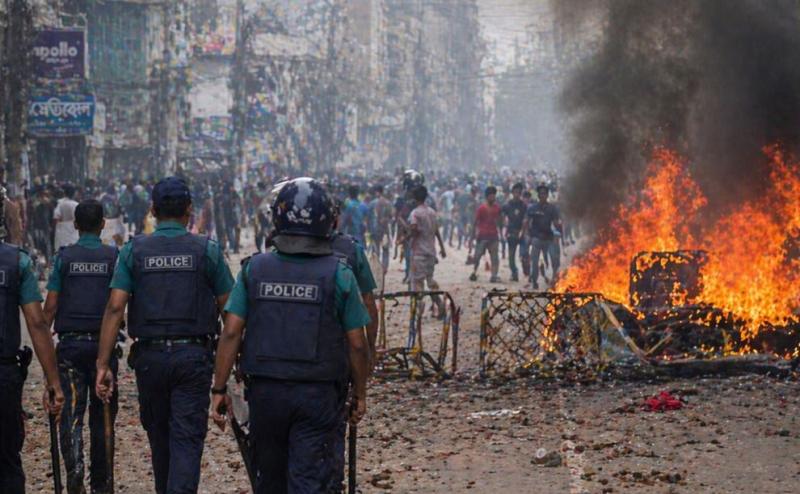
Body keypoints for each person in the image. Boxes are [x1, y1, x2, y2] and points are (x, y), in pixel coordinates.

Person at [210, 178, 370, 493]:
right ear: (328, 220)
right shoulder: (340, 275)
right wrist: (360, 393)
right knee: (309, 480)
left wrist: (218, 388)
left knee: (269, 479)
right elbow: (357, 343)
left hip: (266, 395)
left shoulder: (254, 270)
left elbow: (231, 332)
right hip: (318, 396)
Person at [95, 177, 234, 494]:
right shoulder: (207, 251)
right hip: (193, 360)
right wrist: (230, 369)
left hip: (150, 360)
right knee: (186, 439)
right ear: (189, 210)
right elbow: (231, 314)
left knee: (159, 440)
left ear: (153, 210)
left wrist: (103, 363)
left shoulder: (133, 251)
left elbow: (115, 307)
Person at [43, 200, 119, 494]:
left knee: (71, 417)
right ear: (103, 224)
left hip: (71, 349)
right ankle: (102, 483)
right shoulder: (113, 257)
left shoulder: (64, 258)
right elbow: (120, 303)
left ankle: (75, 473)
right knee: (103, 419)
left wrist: (44, 349)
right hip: (103, 350)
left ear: (75, 225)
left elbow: (50, 307)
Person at [0, 188, 64, 494]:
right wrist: (53, 381)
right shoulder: (17, 262)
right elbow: (37, 323)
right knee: (7, 459)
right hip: (3, 375)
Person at [405, 185, 447, 314]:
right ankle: (440, 304)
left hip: (418, 253)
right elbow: (437, 231)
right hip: (431, 253)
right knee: (430, 281)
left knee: (417, 282)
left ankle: (419, 305)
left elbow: (413, 229)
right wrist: (442, 248)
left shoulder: (415, 213)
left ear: (414, 198)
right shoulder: (432, 212)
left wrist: (405, 237)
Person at [524, 183, 563, 289]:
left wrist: (559, 229)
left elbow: (556, 223)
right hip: (536, 238)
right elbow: (526, 221)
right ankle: (535, 281)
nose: (543, 195)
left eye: (545, 193)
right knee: (534, 262)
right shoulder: (532, 208)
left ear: (547, 195)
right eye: (541, 193)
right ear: (538, 195)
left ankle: (554, 279)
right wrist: (527, 234)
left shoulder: (552, 208)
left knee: (554, 259)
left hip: (549, 237)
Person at [469, 186, 502, 283]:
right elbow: (475, 222)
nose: (493, 197)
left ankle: (494, 275)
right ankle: (474, 272)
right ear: (487, 197)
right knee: (477, 256)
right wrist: (472, 237)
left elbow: (499, 221)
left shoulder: (497, 208)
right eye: (491, 196)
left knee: (494, 257)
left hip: (493, 236)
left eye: (494, 195)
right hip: (482, 236)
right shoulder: (481, 208)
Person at [502, 182, 527, 282]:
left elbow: (526, 219)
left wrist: (523, 231)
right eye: (515, 192)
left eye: (519, 192)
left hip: (522, 232)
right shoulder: (507, 205)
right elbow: (503, 217)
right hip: (511, 232)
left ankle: (527, 271)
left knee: (524, 254)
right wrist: (505, 228)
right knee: (511, 257)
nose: (517, 194)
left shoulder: (523, 205)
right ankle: (514, 272)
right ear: (512, 193)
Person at [54, 184, 79, 250]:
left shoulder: (60, 204)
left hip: (63, 233)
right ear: (74, 194)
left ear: (64, 193)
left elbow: (56, 217)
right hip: (74, 233)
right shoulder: (76, 205)